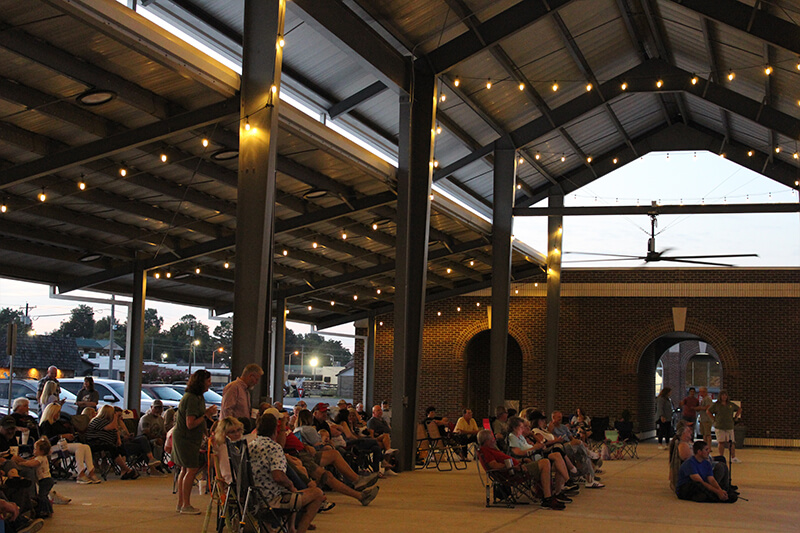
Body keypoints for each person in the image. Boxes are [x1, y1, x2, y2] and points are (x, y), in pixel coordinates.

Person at [249, 413, 324, 533]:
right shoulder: (275, 448)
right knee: (317, 494)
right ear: (275, 430)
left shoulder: (250, 446)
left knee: (291, 492)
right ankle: (299, 530)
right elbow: (278, 476)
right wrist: (290, 485)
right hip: (272, 501)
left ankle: (290, 528)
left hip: (253, 499)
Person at [476, 429, 563, 510]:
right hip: (513, 473)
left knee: (548, 463)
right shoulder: (486, 451)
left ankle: (549, 493)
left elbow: (507, 460)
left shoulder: (492, 449)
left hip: (516, 468)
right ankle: (547, 497)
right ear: (487, 441)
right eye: (492, 438)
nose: (494, 439)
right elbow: (494, 465)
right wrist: (513, 467)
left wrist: (521, 460)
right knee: (545, 463)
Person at [174, 369, 217, 515]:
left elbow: (200, 420)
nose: (210, 384)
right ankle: (186, 504)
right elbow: (190, 423)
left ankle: (181, 503)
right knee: (191, 469)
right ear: (201, 382)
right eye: (208, 381)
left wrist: (207, 433)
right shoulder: (191, 398)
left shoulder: (198, 397)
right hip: (186, 438)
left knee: (184, 470)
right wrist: (207, 414)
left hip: (190, 438)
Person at [39, 403, 99, 484]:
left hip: (63, 444)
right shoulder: (46, 424)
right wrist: (61, 436)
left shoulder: (58, 423)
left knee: (85, 447)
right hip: (51, 446)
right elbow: (47, 440)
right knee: (79, 447)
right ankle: (80, 473)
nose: (58, 414)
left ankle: (90, 471)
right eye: (57, 412)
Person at [86, 405, 138, 480]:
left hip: (107, 443)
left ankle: (124, 471)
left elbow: (115, 429)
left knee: (121, 448)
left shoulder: (108, 422)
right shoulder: (97, 420)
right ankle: (127, 469)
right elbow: (110, 427)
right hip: (96, 442)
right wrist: (115, 417)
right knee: (112, 448)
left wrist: (118, 440)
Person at [221, 364, 263, 430]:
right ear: (250, 376)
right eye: (256, 379)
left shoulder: (245, 390)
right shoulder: (233, 387)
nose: (256, 383)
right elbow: (227, 410)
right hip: (232, 431)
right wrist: (231, 429)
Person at [709, 390, 742, 463]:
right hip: (719, 426)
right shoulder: (716, 404)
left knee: (731, 442)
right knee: (721, 442)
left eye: (725, 395)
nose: (724, 397)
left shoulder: (731, 404)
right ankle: (721, 456)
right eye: (722, 395)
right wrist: (713, 419)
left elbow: (739, 409)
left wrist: (736, 416)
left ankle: (733, 457)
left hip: (729, 426)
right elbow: (708, 411)